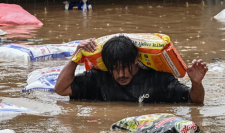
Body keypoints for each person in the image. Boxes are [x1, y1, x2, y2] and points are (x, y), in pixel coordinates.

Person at [55, 36, 208, 103]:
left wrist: (196, 84)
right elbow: (61, 89)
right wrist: (76, 57)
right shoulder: (98, 78)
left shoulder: (158, 80)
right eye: (114, 69)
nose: (121, 74)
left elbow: (195, 102)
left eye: (124, 67)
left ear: (136, 60)